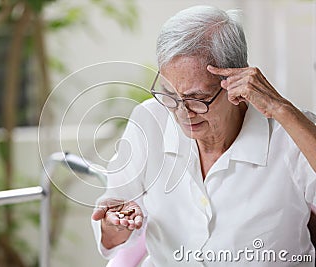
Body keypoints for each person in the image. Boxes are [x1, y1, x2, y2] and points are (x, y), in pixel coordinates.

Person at [91, 5, 316, 266]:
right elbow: (112, 224)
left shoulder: (290, 131)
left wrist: (281, 109)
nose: (182, 113)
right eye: (170, 94)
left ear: (238, 81)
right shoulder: (150, 120)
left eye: (198, 99)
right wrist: (116, 225)